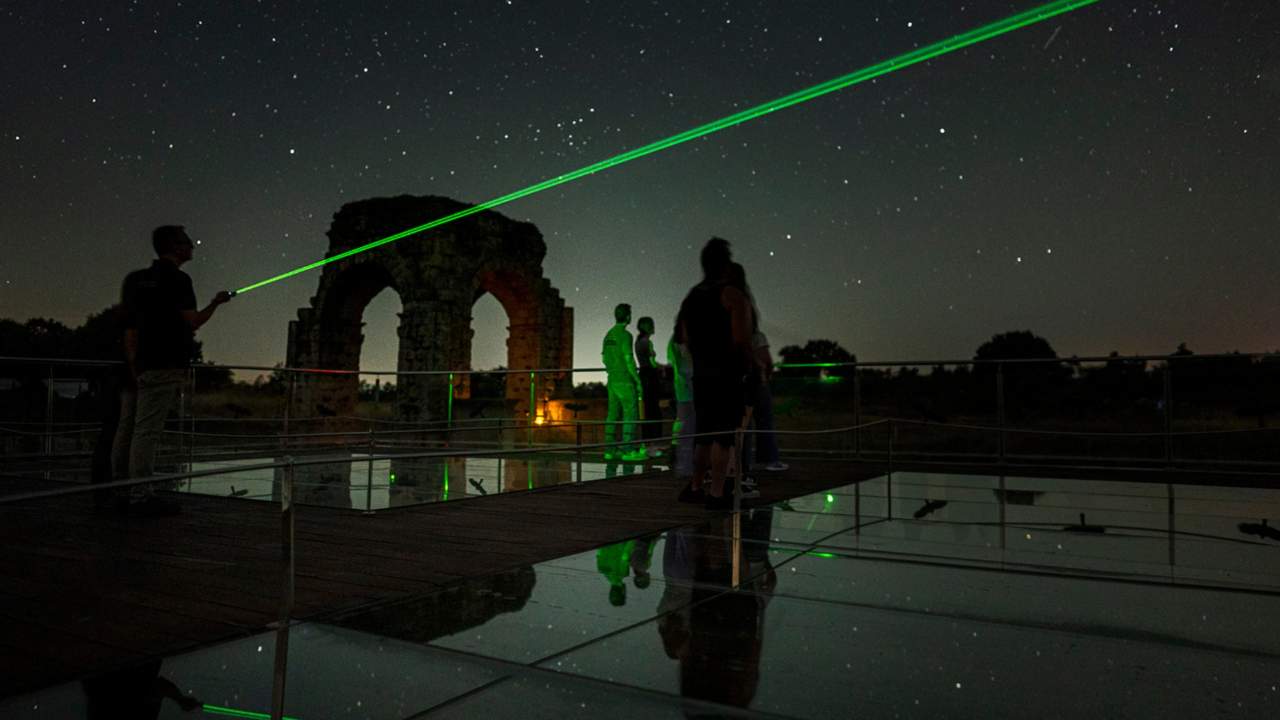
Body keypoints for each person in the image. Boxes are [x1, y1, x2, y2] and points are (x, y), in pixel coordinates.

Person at [112, 225, 231, 515]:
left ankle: (117, 490)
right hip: (164, 365)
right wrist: (216, 303)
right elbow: (193, 321)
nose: (193, 246)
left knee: (126, 428)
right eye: (188, 242)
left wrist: (132, 365)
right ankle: (140, 496)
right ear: (175, 246)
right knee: (146, 432)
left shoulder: (137, 279)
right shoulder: (179, 279)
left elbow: (128, 329)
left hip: (137, 365)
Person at [676, 238, 759, 509]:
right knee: (724, 436)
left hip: (701, 374)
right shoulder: (731, 295)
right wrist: (749, 367)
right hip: (727, 374)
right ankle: (717, 492)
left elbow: (685, 338)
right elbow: (742, 338)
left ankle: (696, 485)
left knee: (703, 434)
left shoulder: (692, 297)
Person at [726, 262, 789, 474]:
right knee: (763, 418)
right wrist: (763, 370)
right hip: (751, 377)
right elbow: (765, 359)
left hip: (728, 377)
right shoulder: (743, 305)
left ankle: (740, 465)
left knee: (739, 426)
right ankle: (768, 460)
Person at [601, 303, 647, 462]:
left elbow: (604, 358)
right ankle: (628, 450)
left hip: (612, 380)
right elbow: (628, 359)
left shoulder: (608, 335)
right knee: (630, 414)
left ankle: (609, 450)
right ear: (628, 316)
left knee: (612, 415)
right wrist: (637, 380)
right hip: (624, 381)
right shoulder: (625, 335)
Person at [666, 310, 696, 483]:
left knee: (682, 422)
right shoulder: (681, 341)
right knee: (687, 422)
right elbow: (684, 365)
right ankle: (684, 463)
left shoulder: (673, 341)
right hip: (688, 388)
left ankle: (679, 460)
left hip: (683, 388)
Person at [634, 316, 665, 456]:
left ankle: (647, 444)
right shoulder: (647, 342)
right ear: (645, 326)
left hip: (643, 376)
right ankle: (653, 446)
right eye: (651, 324)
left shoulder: (638, 341)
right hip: (650, 377)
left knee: (648, 411)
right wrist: (665, 367)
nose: (654, 326)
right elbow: (652, 363)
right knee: (654, 411)